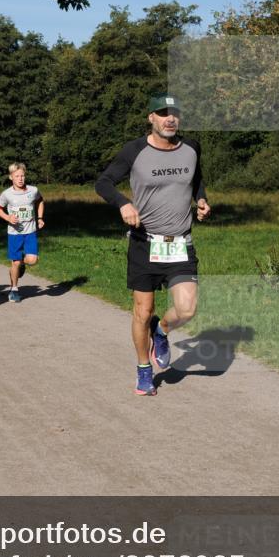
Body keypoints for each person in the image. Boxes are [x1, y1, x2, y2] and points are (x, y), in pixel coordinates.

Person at [95, 94, 211, 395]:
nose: (170, 119)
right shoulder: (134, 151)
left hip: (180, 243)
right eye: (163, 113)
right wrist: (122, 203)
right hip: (144, 243)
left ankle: (161, 332)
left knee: (186, 309)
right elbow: (103, 182)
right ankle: (143, 369)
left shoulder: (191, 149)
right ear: (151, 117)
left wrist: (201, 199)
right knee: (142, 312)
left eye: (174, 113)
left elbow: (196, 179)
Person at [0, 162, 45, 303]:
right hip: (14, 233)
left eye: (22, 175)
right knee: (14, 263)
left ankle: (22, 263)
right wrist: (7, 217)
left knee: (33, 260)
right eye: (17, 176)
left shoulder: (33, 190)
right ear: (11, 177)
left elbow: (40, 201)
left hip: (30, 231)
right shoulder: (7, 194)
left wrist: (40, 218)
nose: (20, 179)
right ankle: (14, 289)